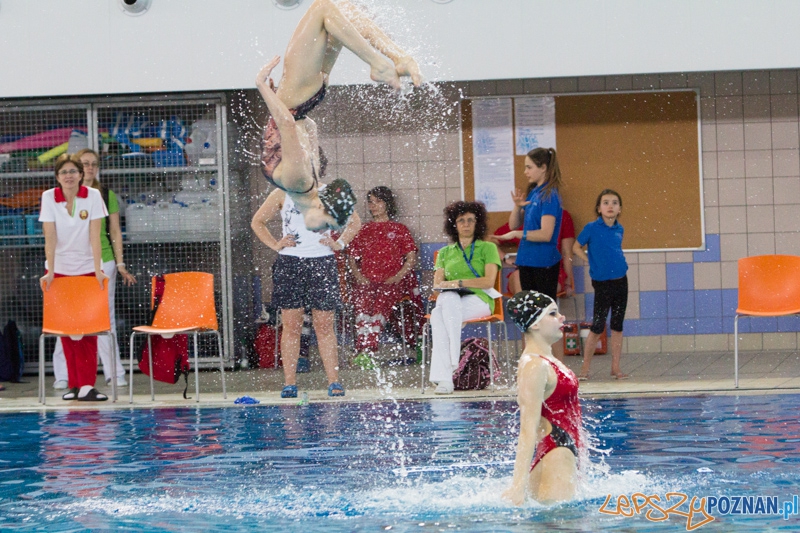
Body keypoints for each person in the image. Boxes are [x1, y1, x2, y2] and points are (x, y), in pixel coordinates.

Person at [257, 0, 421, 231]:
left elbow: (308, 127)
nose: (324, 228)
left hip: (304, 100)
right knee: (324, 8)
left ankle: (398, 58)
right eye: (328, 224)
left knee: (339, 11)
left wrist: (277, 99)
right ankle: (383, 64)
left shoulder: (308, 183)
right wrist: (263, 88)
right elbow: (286, 123)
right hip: (294, 101)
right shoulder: (299, 183)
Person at [251, 167, 362, 398]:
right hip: (290, 263)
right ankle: (289, 383)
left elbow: (354, 222)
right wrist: (275, 244)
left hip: (322, 262)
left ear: (316, 169)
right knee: (292, 326)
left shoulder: (331, 192)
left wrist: (339, 243)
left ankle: (333, 381)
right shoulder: (281, 194)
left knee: (324, 326)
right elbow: (258, 222)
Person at [51, 149, 136, 391]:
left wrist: (119, 263)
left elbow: (115, 231)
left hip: (102, 261)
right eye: (85, 164)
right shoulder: (61, 196)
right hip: (70, 263)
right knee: (66, 318)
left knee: (103, 317)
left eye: (94, 164)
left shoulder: (104, 194)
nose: (90, 168)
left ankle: (114, 372)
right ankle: (64, 374)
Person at [39, 154, 109, 401]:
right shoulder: (49, 197)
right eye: (63, 172)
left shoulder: (93, 196)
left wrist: (98, 269)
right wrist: (50, 270)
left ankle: (88, 385)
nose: (68, 176)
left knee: (88, 329)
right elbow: (50, 236)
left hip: (87, 269)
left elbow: (95, 235)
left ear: (81, 174)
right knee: (67, 330)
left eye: (73, 171)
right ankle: (75, 385)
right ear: (57, 177)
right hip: (59, 271)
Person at [503, 291, 582, 505]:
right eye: (553, 313)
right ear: (535, 324)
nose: (562, 317)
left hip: (561, 447)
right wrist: (517, 487)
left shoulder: (547, 358)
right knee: (560, 522)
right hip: (556, 448)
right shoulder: (534, 365)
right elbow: (527, 429)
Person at [429, 201, 501, 394]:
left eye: (471, 220)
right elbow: (438, 286)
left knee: (440, 312)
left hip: (481, 300)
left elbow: (488, 281)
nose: (466, 224)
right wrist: (449, 288)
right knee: (443, 307)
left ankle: (446, 373)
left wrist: (458, 283)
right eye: (461, 220)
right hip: (452, 303)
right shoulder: (444, 253)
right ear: (454, 225)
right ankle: (448, 377)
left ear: (478, 224)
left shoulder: (487, 248)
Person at [347, 186, 423, 366]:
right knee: (363, 305)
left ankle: (368, 349)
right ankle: (364, 349)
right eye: (370, 202)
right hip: (367, 281)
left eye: (378, 201)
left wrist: (398, 277)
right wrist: (358, 276)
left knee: (381, 303)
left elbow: (411, 258)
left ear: (387, 204)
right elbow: (352, 258)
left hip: (392, 282)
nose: (373, 206)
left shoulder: (399, 229)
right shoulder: (363, 229)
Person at [572, 189, 629, 380]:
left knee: (617, 325)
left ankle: (616, 368)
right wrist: (588, 260)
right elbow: (575, 247)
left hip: (621, 280)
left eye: (614, 202)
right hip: (602, 283)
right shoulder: (591, 227)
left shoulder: (619, 229)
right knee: (597, 325)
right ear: (599, 208)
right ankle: (585, 370)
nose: (610, 206)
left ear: (620, 209)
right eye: (606, 202)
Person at [495, 148, 564, 301]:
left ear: (543, 167)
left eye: (529, 167)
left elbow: (546, 234)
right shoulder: (534, 192)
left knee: (543, 315)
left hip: (543, 262)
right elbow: (514, 224)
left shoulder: (549, 195)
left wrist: (516, 234)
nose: (525, 171)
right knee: (531, 314)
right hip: (527, 260)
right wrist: (517, 206)